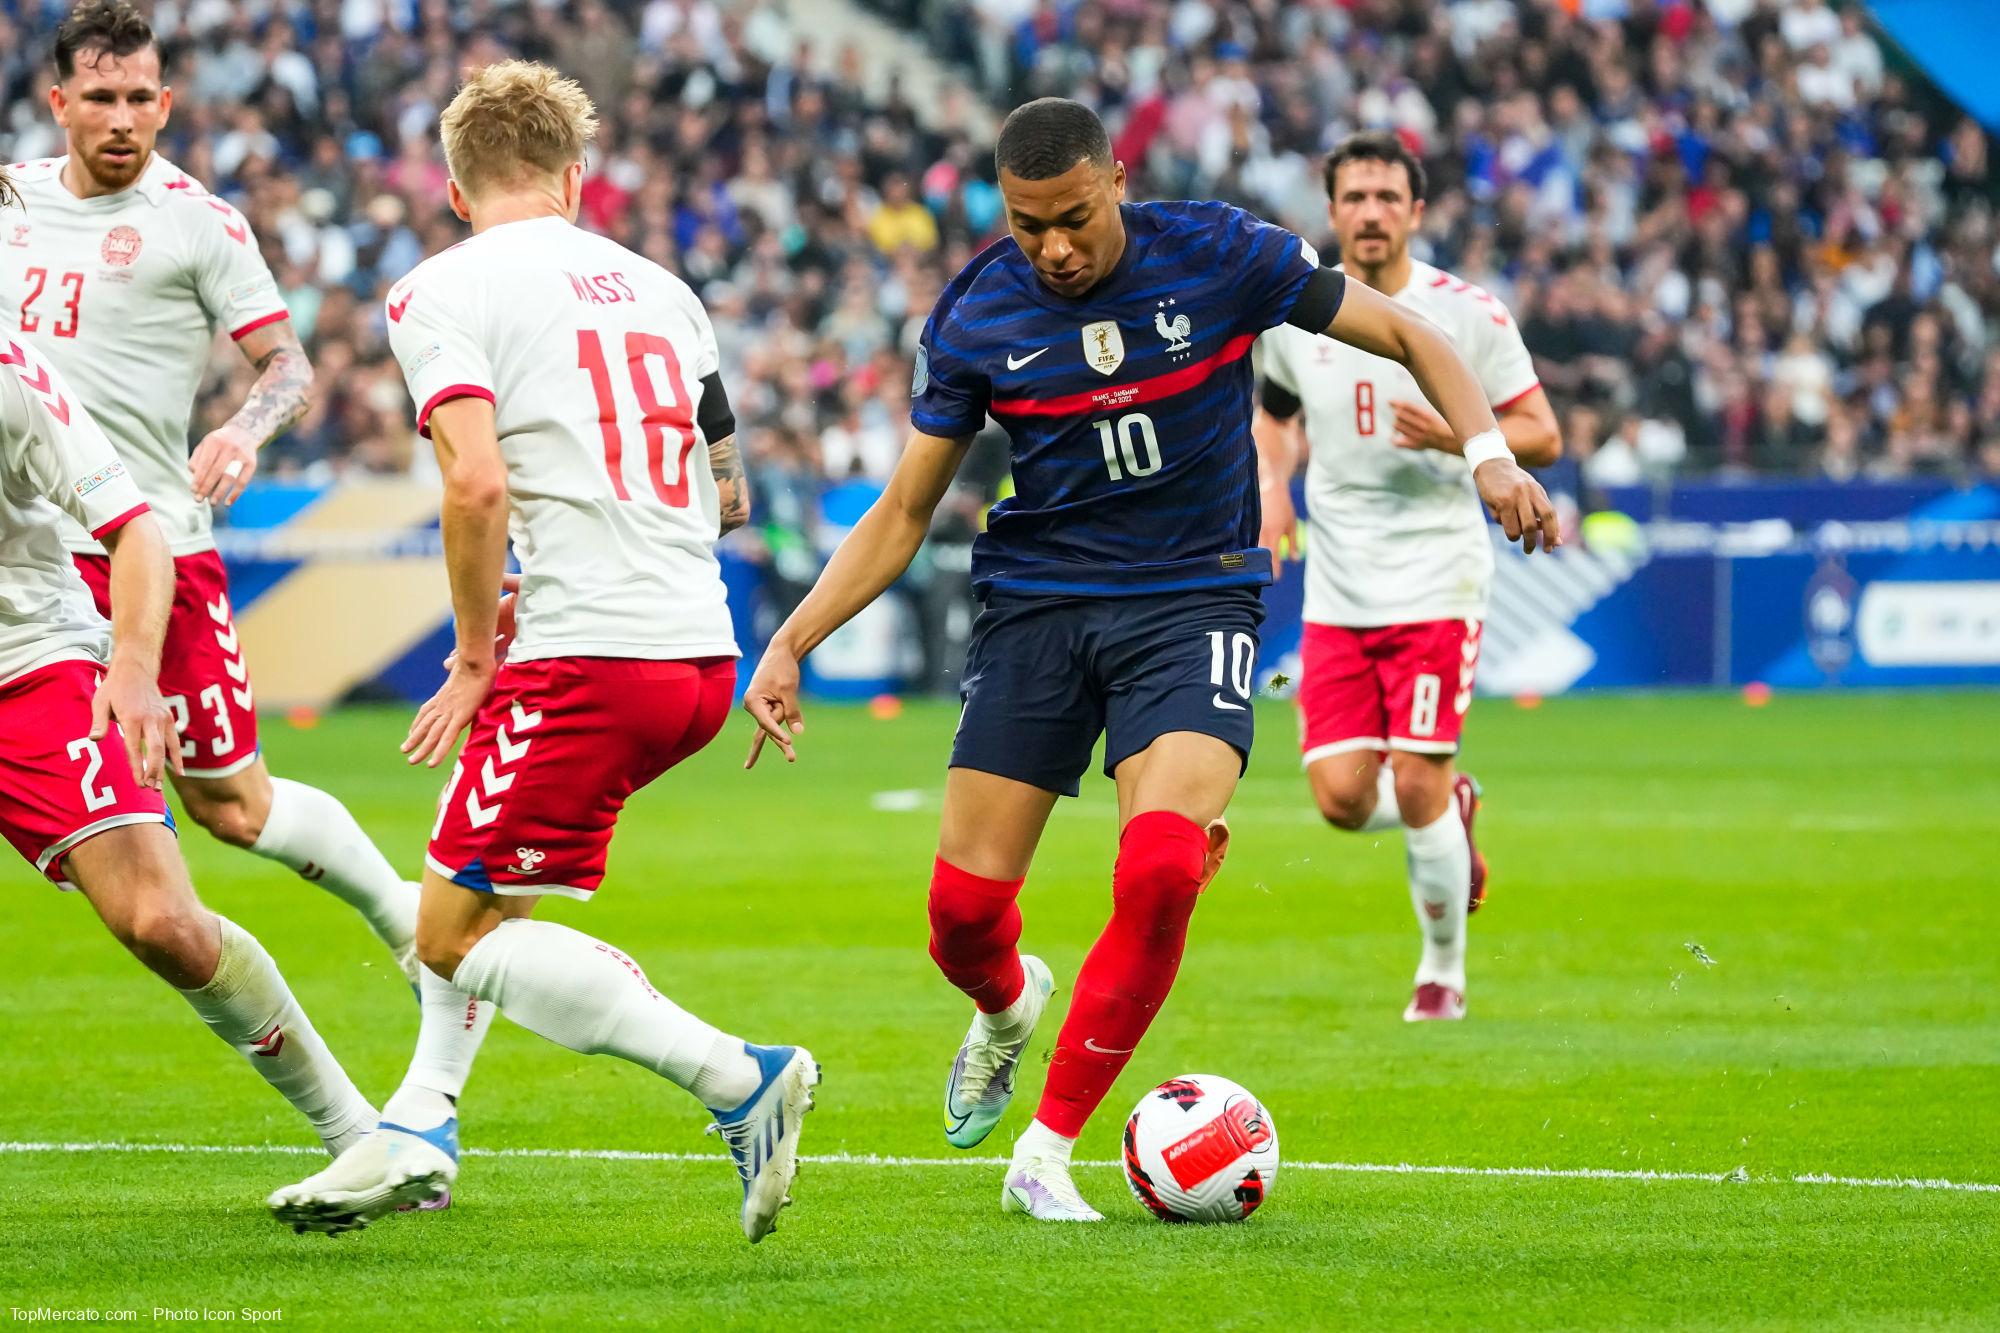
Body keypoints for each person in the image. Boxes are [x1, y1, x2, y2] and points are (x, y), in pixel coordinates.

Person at [741, 98, 1560, 1222]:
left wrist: (1484, 457)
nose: (1056, 248)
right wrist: (789, 642)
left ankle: (1044, 1150)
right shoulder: (977, 310)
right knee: (960, 920)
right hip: (1036, 609)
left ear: (1115, 180)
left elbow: (1417, 336)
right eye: (1030, 227)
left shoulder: (1219, 252)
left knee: (1164, 865)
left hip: (1192, 600)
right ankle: (1006, 1004)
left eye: (1074, 218)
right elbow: (900, 510)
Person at [266, 61, 817, 1243]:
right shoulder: (664, 289)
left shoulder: (437, 288)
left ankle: (741, 1077)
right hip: (695, 654)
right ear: (578, 177)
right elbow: (726, 490)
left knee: (452, 934)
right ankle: (419, 1123)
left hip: (592, 651)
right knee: (476, 879)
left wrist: (472, 655)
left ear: (455, 191)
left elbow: (474, 480)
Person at [1, 1, 419, 982]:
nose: (121, 119)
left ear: (166, 102)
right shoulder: (13, 204)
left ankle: (401, 914)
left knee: (231, 805)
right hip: (35, 549)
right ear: (59, 103)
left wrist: (241, 427)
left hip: (154, 543)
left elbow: (288, 364)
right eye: (99, 98)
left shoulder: (196, 221)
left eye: (139, 98)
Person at [0, 170, 375, 1161]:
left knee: (168, 912)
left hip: (26, 657)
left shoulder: (15, 377)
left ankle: (357, 1131)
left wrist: (128, 668)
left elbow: (135, 531)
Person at [1253, 132, 1563, 1023]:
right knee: (1342, 800)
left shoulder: (1468, 313)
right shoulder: (1292, 319)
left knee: (1417, 781)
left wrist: (1467, 440)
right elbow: (1273, 419)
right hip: (1341, 584)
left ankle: (1441, 974)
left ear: (1416, 212)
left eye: (1389, 197)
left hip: (1438, 572)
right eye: (1355, 198)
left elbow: (1541, 430)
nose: (1372, 213)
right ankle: (1451, 808)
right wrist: (1274, 487)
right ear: (1334, 210)